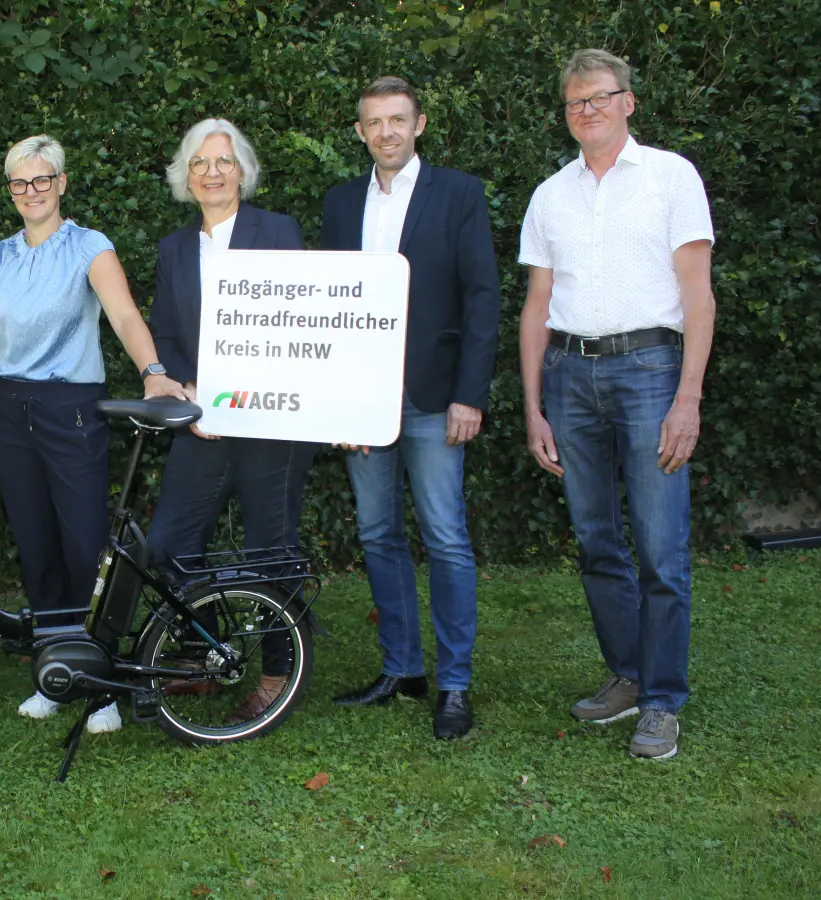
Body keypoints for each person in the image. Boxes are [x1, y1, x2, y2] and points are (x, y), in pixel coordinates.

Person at [0, 135, 189, 733]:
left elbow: (122, 314)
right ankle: (55, 668)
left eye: (42, 180)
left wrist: (153, 374)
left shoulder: (90, 247)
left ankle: (105, 687)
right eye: (20, 183)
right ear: (11, 191)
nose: (31, 192)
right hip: (10, 407)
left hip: (72, 408)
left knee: (84, 544)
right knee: (36, 545)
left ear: (62, 183)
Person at [519, 49, 716, 760]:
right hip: (570, 375)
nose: (588, 111)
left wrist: (687, 395)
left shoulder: (671, 178)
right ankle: (628, 675)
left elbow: (698, 294)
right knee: (597, 541)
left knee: (662, 549)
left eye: (600, 98)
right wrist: (534, 405)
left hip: (652, 369)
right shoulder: (550, 195)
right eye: (576, 103)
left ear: (628, 101)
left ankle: (663, 701)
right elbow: (537, 307)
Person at [318, 77, 502, 740]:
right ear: (361, 132)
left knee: (447, 538)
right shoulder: (340, 204)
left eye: (398, 120)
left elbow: (482, 299)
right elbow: (330, 308)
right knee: (377, 535)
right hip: (364, 401)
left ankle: (454, 685)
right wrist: (337, 402)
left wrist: (469, 395)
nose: (387, 132)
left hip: (433, 397)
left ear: (419, 124)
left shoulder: (458, 194)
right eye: (374, 122)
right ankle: (402, 669)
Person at [146, 118, 316, 724]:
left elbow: (296, 322)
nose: (212, 173)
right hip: (205, 422)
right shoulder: (173, 248)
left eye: (223, 161)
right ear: (185, 178)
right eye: (199, 163)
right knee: (168, 545)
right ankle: (205, 650)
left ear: (242, 171)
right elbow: (166, 330)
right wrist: (190, 393)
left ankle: (278, 669)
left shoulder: (277, 232)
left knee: (272, 547)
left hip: (272, 424)